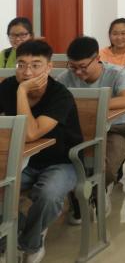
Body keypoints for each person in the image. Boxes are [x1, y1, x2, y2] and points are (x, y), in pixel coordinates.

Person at [0, 39, 82, 262]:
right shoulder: (6, 86)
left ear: (49, 67)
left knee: (49, 195)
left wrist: (22, 92)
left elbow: (30, 133)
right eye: (21, 65)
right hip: (21, 161)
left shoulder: (60, 95)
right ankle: (22, 229)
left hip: (62, 162)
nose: (27, 72)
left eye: (35, 65)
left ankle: (29, 243)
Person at [56, 36, 125, 195]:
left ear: (97, 58)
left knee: (107, 171)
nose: (78, 72)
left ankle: (88, 196)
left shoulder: (117, 73)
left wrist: (90, 104)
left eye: (83, 67)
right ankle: (81, 197)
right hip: (77, 131)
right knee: (60, 166)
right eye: (73, 67)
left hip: (114, 130)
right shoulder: (65, 77)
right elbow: (54, 102)